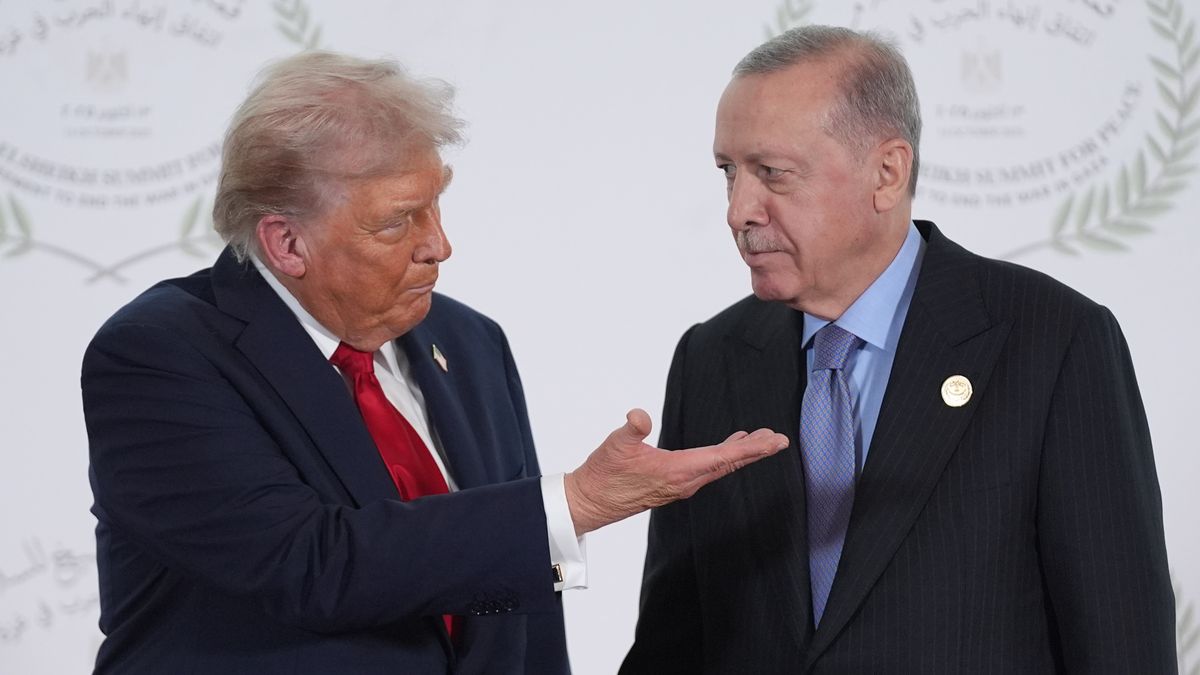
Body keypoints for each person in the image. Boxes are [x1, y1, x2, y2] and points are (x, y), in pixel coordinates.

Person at [81, 51, 789, 675]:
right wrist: (571, 503)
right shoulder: (160, 355)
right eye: (399, 220)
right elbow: (312, 566)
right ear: (285, 243)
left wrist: (546, 534)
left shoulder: (470, 341)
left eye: (436, 205)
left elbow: (512, 594)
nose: (439, 246)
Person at [621, 25, 1176, 674]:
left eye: (772, 173)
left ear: (887, 173)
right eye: (728, 172)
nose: (739, 208)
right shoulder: (712, 357)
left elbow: (1122, 644)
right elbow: (673, 645)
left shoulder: (1054, 342)